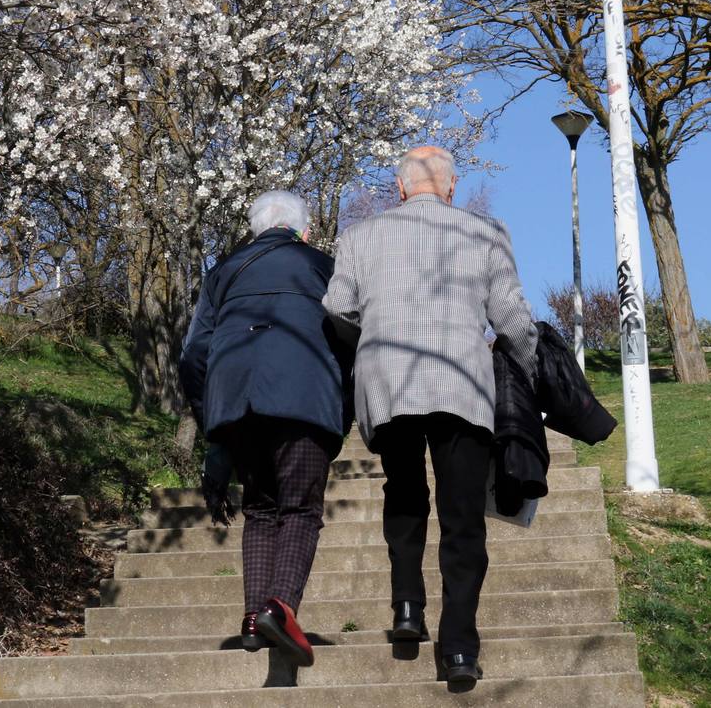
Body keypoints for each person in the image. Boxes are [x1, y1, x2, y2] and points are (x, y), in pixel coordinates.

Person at [322, 145, 537, 688]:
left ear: (399, 189)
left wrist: (371, 337)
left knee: (405, 492)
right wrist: (527, 367)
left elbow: (337, 306)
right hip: (459, 382)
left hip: (388, 381)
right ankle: (459, 647)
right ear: (451, 187)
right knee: (462, 515)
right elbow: (510, 315)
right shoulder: (484, 231)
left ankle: (407, 608)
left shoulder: (360, 236)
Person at [180, 190, 354, 667]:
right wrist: (345, 406)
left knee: (259, 510)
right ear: (306, 230)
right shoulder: (325, 266)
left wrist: (211, 417)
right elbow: (349, 336)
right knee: (299, 510)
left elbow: (194, 354)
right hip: (303, 400)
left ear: (254, 229)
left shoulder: (223, 272)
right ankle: (281, 607)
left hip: (237, 402)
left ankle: (254, 619)